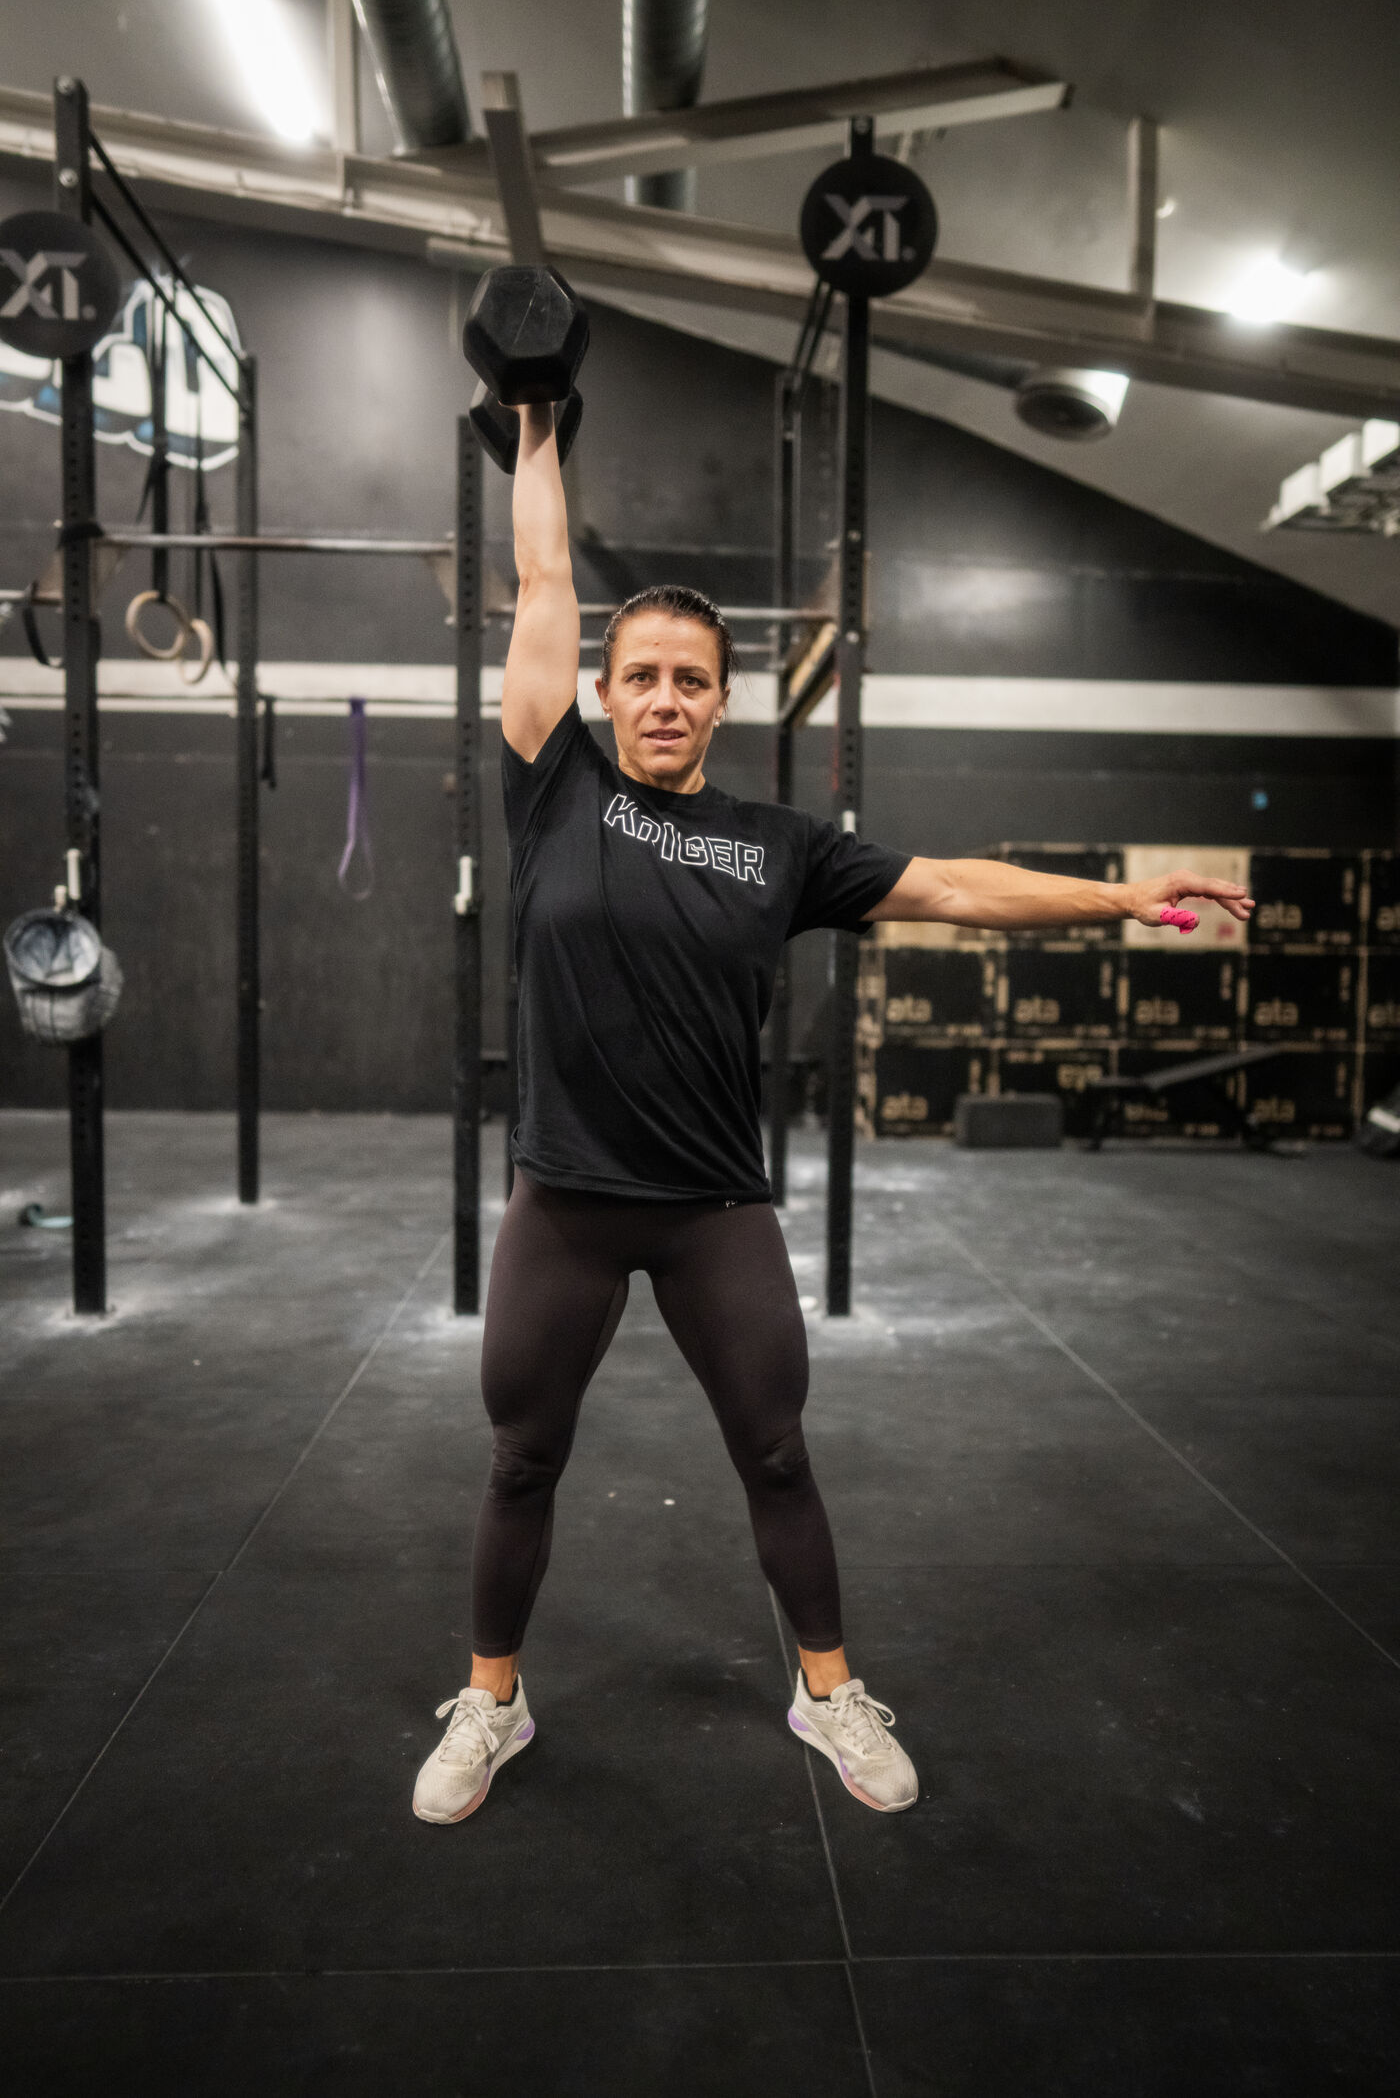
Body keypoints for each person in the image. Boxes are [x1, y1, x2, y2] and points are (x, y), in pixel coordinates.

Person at [413, 405, 1255, 1826]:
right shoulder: (551, 791)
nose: (666, 697)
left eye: (692, 678)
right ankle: (491, 1700)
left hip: (713, 1211)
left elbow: (952, 888)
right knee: (520, 1457)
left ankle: (827, 1691)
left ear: (722, 701)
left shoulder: (779, 847)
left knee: (779, 1451)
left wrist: (1125, 894)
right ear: (603, 696)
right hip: (563, 1200)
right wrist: (545, 428)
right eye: (642, 677)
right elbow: (545, 583)